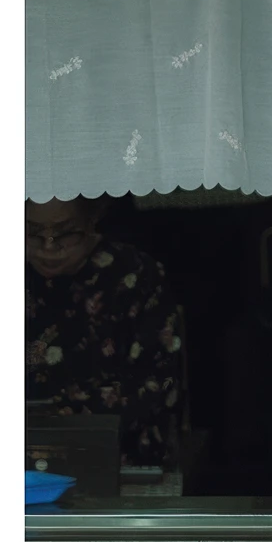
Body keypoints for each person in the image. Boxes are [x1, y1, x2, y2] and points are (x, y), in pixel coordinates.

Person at [25, 196, 184, 469]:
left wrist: (63, 414)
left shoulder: (136, 275)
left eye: (65, 233)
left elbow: (159, 383)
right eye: (33, 233)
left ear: (91, 221)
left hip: (117, 454)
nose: (49, 248)